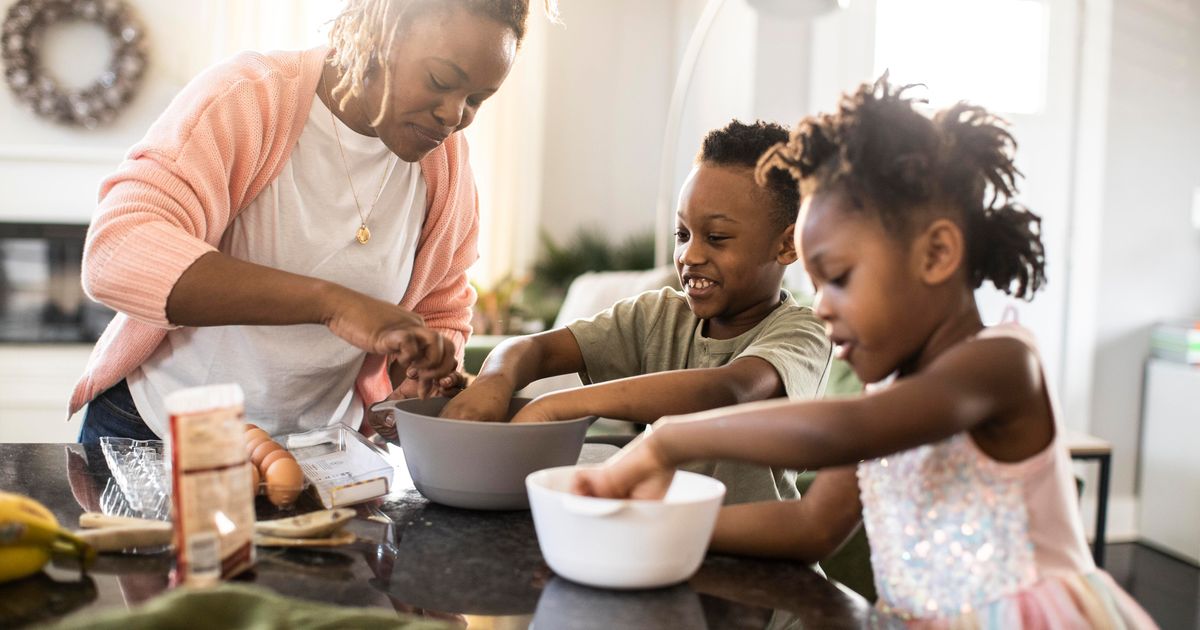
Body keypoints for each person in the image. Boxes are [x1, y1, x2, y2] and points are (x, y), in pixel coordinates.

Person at [574, 78, 1156, 628]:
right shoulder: (887, 392)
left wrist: (670, 438)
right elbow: (811, 523)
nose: (822, 307)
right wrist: (659, 526)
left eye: (841, 279)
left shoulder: (1002, 365)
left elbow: (841, 430)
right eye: (818, 283)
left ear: (936, 254)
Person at [71, 0, 558, 443]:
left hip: (319, 452)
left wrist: (417, 374)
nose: (454, 115)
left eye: (477, 99)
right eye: (439, 81)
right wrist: (334, 305)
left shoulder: (446, 166)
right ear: (378, 32)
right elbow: (118, 251)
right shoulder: (249, 98)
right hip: (155, 433)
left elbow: (441, 309)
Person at [414, 120, 833, 506]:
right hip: (659, 546)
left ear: (786, 245)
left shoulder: (805, 331)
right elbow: (534, 350)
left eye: (717, 237)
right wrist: (494, 380)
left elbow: (727, 391)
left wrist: (557, 405)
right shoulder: (657, 317)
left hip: (760, 571)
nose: (690, 255)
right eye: (682, 234)